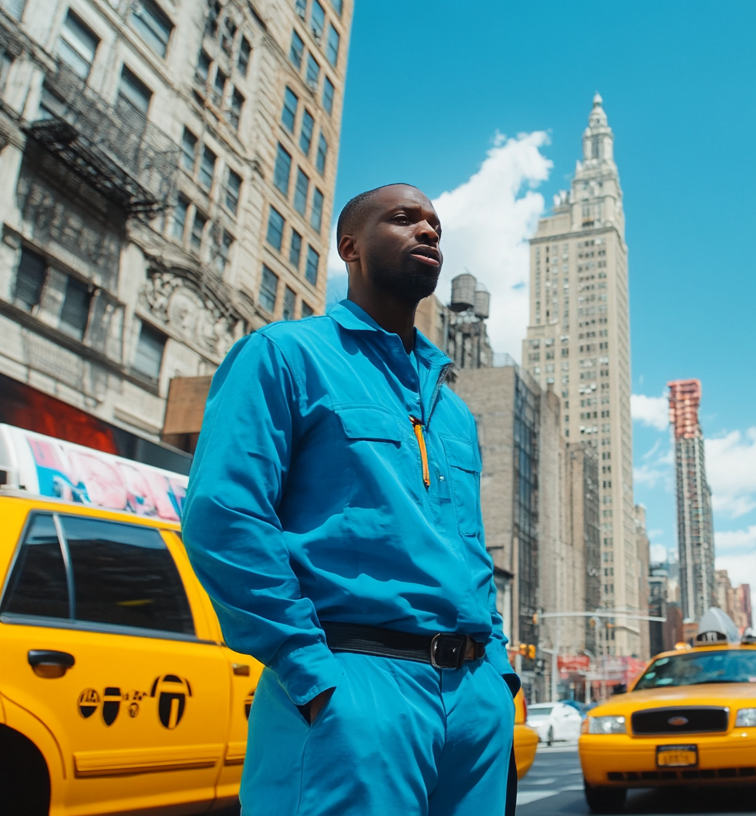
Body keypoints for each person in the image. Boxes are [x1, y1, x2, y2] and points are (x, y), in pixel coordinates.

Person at [182, 184, 517, 815]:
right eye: (404, 219)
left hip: (475, 703)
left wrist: (497, 674)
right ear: (350, 248)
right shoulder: (284, 355)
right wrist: (307, 669)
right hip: (354, 683)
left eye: (436, 225)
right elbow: (224, 517)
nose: (428, 232)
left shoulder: (455, 410)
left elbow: (470, 550)